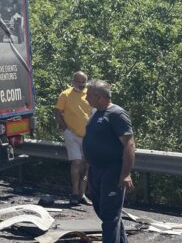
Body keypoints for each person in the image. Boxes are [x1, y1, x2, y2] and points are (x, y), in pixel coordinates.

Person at [83, 80, 136, 243]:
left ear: (99, 97)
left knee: (110, 215)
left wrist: (125, 174)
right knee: (102, 210)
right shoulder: (95, 112)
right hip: (95, 169)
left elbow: (129, 144)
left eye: (89, 95)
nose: (86, 98)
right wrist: (87, 170)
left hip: (112, 170)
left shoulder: (117, 114)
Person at [54, 71, 91, 205]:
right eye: (78, 81)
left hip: (88, 135)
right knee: (77, 162)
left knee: (87, 165)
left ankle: (83, 194)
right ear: (73, 81)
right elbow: (57, 111)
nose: (81, 84)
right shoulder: (65, 94)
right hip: (72, 134)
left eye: (83, 81)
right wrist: (65, 128)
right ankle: (75, 192)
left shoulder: (90, 94)